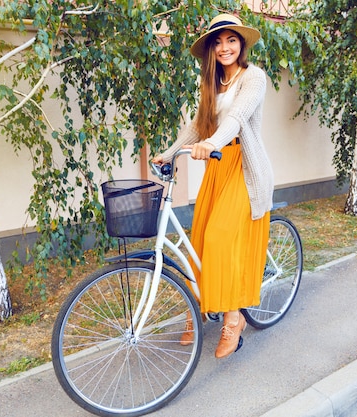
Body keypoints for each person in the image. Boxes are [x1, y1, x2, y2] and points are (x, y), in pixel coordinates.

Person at [152, 13, 274, 359]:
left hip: (244, 168)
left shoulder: (254, 78)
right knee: (201, 241)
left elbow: (235, 120)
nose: (224, 47)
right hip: (218, 169)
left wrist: (213, 143)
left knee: (222, 238)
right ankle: (201, 309)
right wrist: (171, 151)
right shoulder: (210, 82)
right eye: (217, 42)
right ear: (210, 49)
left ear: (242, 44)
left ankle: (234, 321)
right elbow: (197, 126)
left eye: (231, 40)